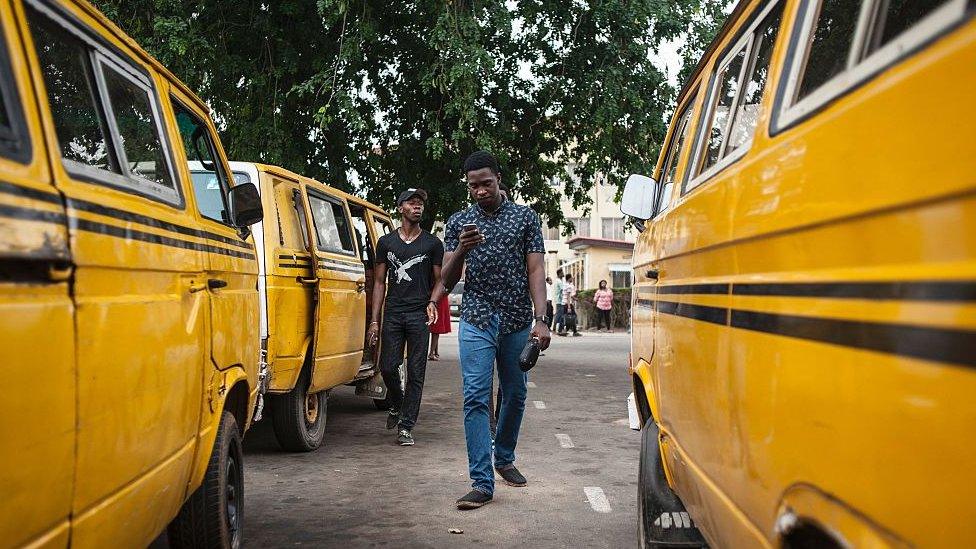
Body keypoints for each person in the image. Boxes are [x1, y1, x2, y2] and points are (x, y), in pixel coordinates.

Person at [429, 150, 551, 510]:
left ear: (499, 179)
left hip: (516, 320)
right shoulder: (458, 223)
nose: (480, 191)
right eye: (473, 186)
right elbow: (448, 281)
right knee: (476, 396)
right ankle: (482, 482)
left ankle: (505, 457)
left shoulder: (525, 218)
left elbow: (535, 271)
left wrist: (540, 319)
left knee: (515, 393)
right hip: (477, 318)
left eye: (486, 183)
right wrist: (460, 252)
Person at [367, 188, 444, 446]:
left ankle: (406, 426)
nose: (417, 207)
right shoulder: (386, 243)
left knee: (416, 371)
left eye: (420, 203)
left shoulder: (432, 244)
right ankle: (397, 403)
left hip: (419, 315)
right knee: (388, 366)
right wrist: (374, 320)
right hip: (393, 313)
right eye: (411, 203)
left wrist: (432, 302)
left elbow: (439, 280)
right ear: (400, 208)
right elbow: (379, 282)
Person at [428, 294, 451, 360]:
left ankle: (435, 352)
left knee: (436, 327)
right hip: (438, 299)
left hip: (438, 298)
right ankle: (432, 353)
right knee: (437, 327)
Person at [552, 268, 565, 333]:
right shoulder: (559, 282)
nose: (563, 274)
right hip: (560, 301)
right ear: (559, 274)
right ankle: (555, 328)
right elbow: (563, 290)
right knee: (559, 314)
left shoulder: (558, 280)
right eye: (562, 273)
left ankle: (560, 329)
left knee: (560, 315)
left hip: (559, 300)